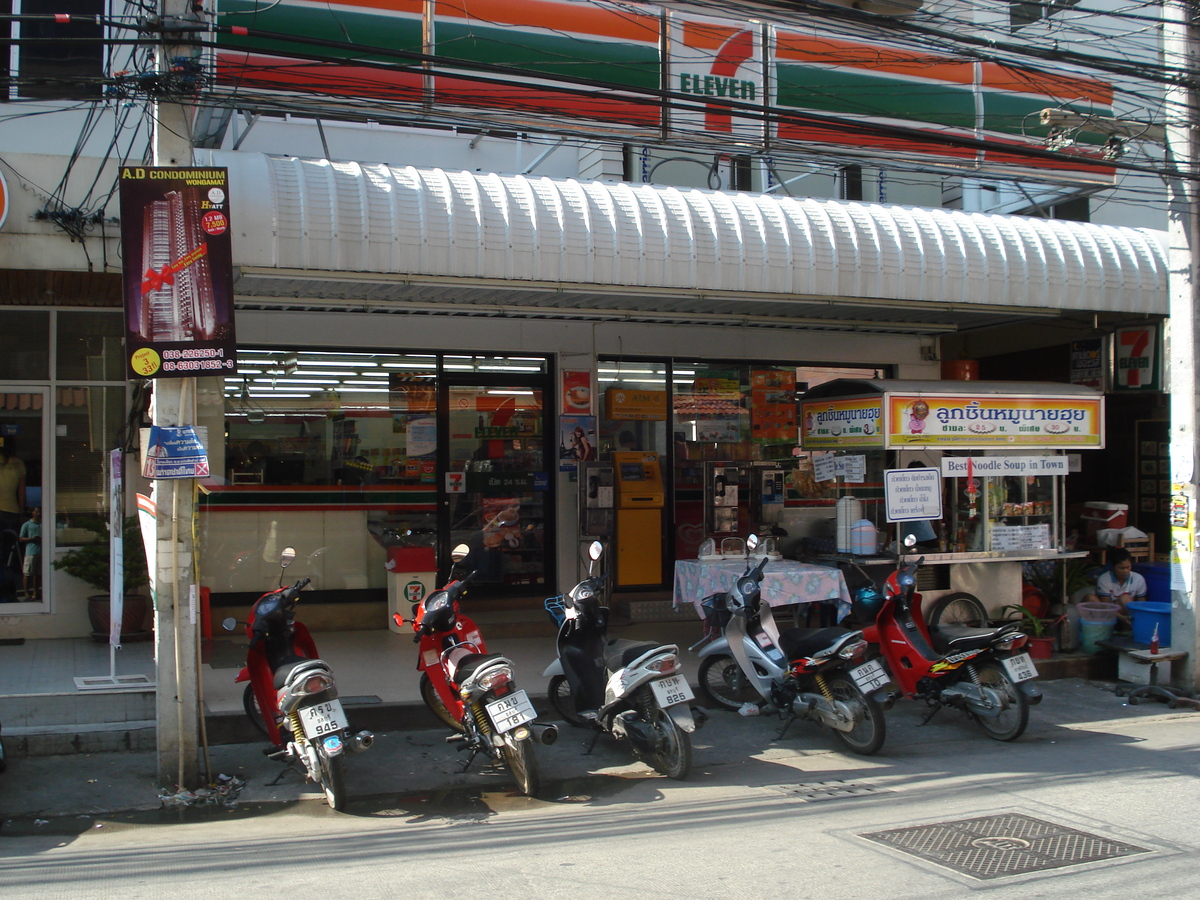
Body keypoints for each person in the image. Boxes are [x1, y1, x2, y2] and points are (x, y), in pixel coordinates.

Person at [1084, 547, 1147, 626]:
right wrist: (1121, 618)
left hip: (1128, 614)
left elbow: (1142, 604)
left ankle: (1129, 628)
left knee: (1125, 598)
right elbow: (1106, 606)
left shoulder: (1138, 579)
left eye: (1128, 567)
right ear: (1113, 567)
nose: (1125, 571)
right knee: (1089, 598)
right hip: (1107, 614)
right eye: (1121, 568)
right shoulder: (1104, 579)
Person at [0, 438, 26, 537]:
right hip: (12, 511)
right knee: (11, 544)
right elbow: (21, 492)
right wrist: (21, 512)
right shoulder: (18, 463)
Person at [19, 506, 40, 600]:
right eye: (37, 512)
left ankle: (36, 592)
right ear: (32, 513)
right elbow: (21, 538)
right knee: (27, 573)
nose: (39, 514)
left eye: (39, 512)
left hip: (42, 552)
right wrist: (31, 539)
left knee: (38, 574)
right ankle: (26, 593)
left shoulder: (43, 524)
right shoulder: (27, 524)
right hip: (31, 551)